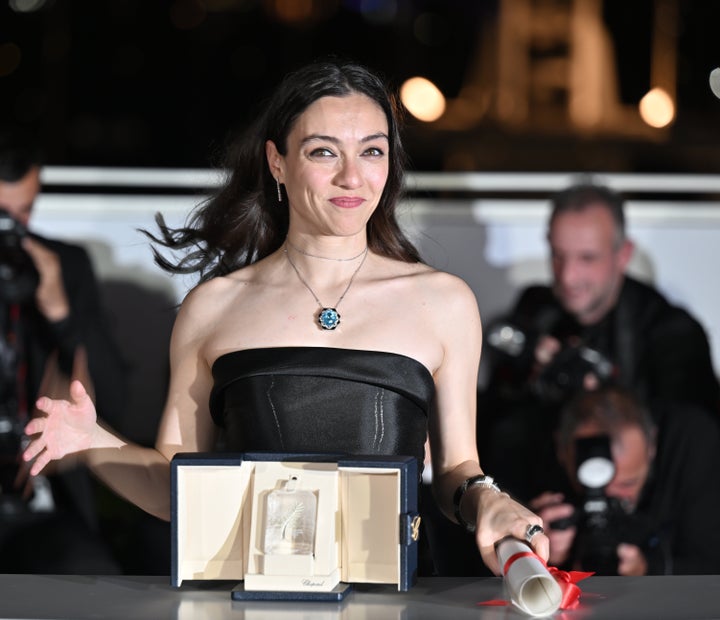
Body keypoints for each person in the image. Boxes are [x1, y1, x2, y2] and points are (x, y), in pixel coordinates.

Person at [20, 59, 548, 575]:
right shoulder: (214, 306)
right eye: (324, 152)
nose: (352, 177)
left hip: (396, 595)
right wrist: (93, 443)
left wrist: (487, 499)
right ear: (277, 162)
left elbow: (457, 472)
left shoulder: (444, 301)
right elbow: (175, 488)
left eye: (372, 152)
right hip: (252, 601)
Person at [477, 181, 720, 502]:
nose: (568, 276)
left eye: (587, 258)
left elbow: (694, 450)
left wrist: (604, 399)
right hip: (542, 502)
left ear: (623, 255)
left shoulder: (671, 332)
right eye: (558, 256)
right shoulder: (536, 311)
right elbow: (494, 423)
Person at [0, 125, 127, 573]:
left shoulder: (61, 265)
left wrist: (59, 311)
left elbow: (114, 401)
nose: (12, 230)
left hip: (40, 504)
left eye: (24, 213)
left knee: (94, 582)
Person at [530, 386, 720, 575]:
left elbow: (711, 569)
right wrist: (534, 551)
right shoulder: (531, 450)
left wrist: (649, 569)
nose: (611, 497)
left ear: (652, 445)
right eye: (594, 485)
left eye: (627, 484)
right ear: (562, 451)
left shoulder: (691, 446)